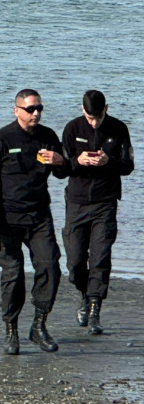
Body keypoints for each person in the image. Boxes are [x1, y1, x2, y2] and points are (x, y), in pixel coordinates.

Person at [0, 89, 69, 355]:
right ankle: (11, 330)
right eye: (30, 109)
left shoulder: (48, 137)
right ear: (17, 110)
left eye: (39, 108)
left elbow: (63, 172)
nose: (36, 113)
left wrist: (62, 161)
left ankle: (39, 326)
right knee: (13, 275)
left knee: (50, 265)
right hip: (6, 219)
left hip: (39, 216)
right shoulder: (0, 139)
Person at [61, 90, 135, 335]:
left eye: (98, 117)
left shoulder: (118, 129)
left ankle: (94, 308)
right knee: (75, 261)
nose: (93, 122)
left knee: (101, 257)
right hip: (77, 201)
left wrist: (108, 162)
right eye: (90, 118)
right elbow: (61, 168)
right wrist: (77, 161)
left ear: (106, 109)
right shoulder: (72, 129)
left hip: (105, 201)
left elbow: (128, 166)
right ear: (83, 111)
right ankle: (83, 294)